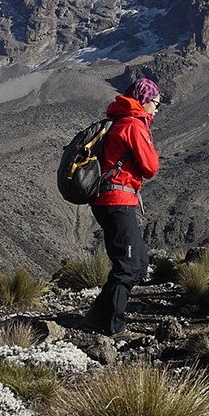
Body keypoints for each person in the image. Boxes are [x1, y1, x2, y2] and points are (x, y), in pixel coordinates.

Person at [85, 77, 161, 335]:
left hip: (109, 201)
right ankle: (112, 326)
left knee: (137, 262)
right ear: (144, 100)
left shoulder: (120, 119)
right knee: (129, 265)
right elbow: (150, 167)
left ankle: (98, 314)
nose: (156, 109)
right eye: (155, 103)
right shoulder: (133, 124)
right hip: (117, 201)